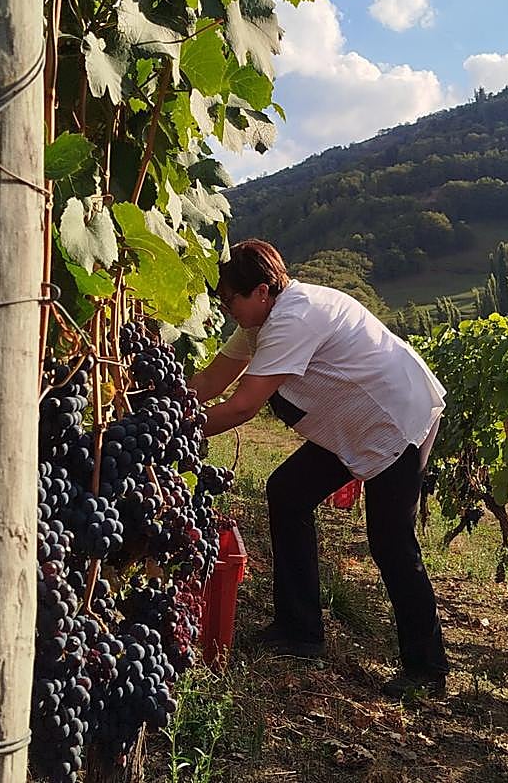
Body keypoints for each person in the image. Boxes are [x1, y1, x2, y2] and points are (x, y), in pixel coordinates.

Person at [188, 239, 450, 698]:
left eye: (232, 300)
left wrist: (176, 432)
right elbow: (210, 381)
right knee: (287, 492)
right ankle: (299, 632)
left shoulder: (294, 317)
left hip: (396, 421)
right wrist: (150, 404)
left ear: (263, 291)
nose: (228, 310)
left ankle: (426, 670)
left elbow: (241, 407)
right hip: (356, 424)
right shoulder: (259, 321)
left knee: (390, 543)